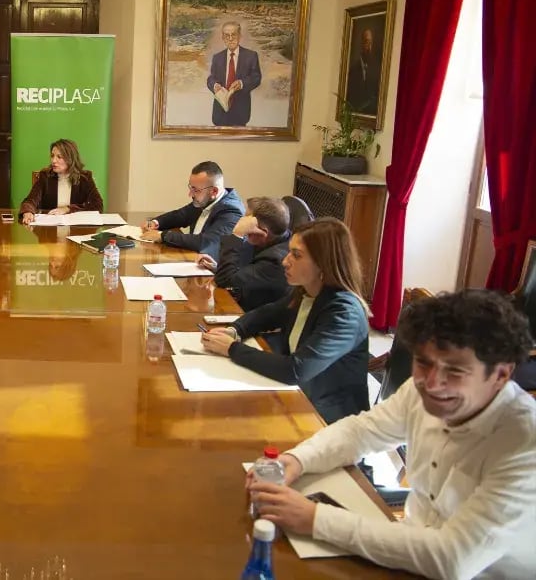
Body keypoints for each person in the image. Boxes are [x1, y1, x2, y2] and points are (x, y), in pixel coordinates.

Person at [248, 290, 536, 579]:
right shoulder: (419, 389)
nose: (432, 383)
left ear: (501, 375)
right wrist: (296, 459)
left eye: (456, 371)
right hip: (405, 551)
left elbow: (452, 559)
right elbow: (361, 431)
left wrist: (315, 519)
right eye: (423, 362)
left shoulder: (525, 445)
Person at [201, 218, 370, 424]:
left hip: (326, 422)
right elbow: (269, 313)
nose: (285, 260)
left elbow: (296, 370)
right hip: (296, 398)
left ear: (324, 263)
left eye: (296, 255)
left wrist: (232, 349)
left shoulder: (344, 313)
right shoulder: (308, 290)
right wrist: (235, 330)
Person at [198, 196, 291, 311]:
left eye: (247, 224)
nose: (242, 225)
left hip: (252, 317)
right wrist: (217, 268)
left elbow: (224, 281)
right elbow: (242, 274)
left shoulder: (275, 260)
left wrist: (236, 234)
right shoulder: (273, 240)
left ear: (263, 232)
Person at [140, 161, 245, 259]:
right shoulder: (205, 200)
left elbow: (207, 242)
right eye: (190, 188)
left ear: (214, 191)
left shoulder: (232, 211)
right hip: (192, 259)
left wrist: (162, 236)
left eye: (195, 190)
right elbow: (180, 215)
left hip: (211, 273)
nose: (190, 194)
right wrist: (155, 223)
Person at [19, 139, 104, 225]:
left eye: (59, 157)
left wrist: (68, 209)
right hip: (49, 230)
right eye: (52, 156)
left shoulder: (85, 178)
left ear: (70, 159)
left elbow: (97, 205)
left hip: (76, 230)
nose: (53, 161)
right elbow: (30, 200)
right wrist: (28, 211)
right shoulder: (45, 176)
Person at [205, 21, 262, 127]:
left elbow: (256, 78)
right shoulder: (217, 57)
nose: (230, 39)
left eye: (234, 34)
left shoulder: (251, 56)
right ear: (222, 37)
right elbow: (211, 78)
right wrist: (215, 85)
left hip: (240, 113)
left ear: (240, 36)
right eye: (227, 35)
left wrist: (241, 83)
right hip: (219, 112)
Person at [346, 27, 383, 115]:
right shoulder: (353, 69)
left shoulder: (376, 68)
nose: (369, 46)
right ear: (361, 43)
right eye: (367, 42)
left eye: (371, 42)